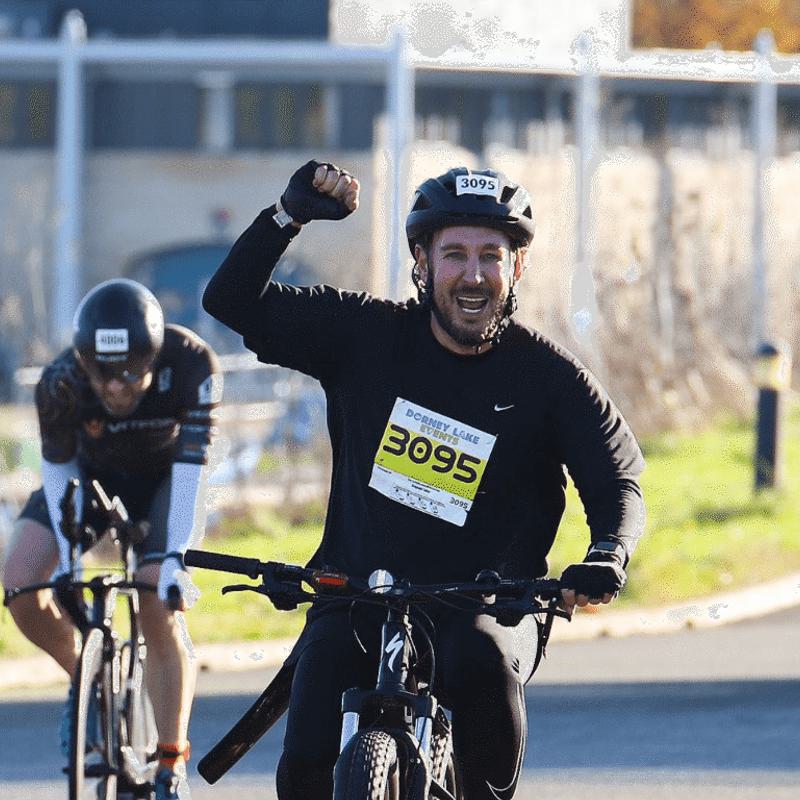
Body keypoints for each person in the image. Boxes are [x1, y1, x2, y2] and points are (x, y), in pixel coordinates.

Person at [202, 161, 646, 799]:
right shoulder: (366, 337)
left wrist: (607, 555)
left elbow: (619, 481)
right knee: (314, 713)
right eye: (454, 254)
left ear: (515, 267)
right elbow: (231, 302)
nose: (473, 274)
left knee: (481, 661)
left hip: (487, 603)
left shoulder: (547, 380)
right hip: (357, 589)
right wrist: (287, 217)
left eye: (490, 256)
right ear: (422, 260)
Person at [2, 278, 221, 800]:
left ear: (152, 358)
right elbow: (59, 476)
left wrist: (172, 560)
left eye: (130, 376)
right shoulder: (60, 382)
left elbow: (192, 472)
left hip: (167, 481)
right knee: (21, 584)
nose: (118, 390)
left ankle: (170, 761)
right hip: (91, 479)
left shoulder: (191, 362)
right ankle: (86, 677)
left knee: (154, 596)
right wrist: (69, 564)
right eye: (104, 379)